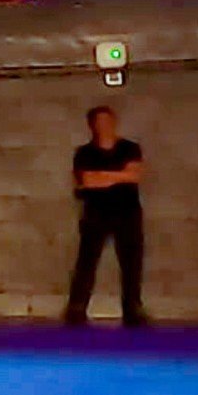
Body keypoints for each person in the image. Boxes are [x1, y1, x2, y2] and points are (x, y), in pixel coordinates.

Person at [65, 105, 147, 327]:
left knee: (131, 263)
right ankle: (76, 309)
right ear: (92, 125)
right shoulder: (84, 153)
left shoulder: (129, 148)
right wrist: (119, 175)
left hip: (127, 213)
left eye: (107, 120)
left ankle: (133, 309)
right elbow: (88, 181)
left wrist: (103, 177)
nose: (104, 126)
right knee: (87, 262)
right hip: (96, 214)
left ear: (114, 122)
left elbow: (134, 175)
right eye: (99, 121)